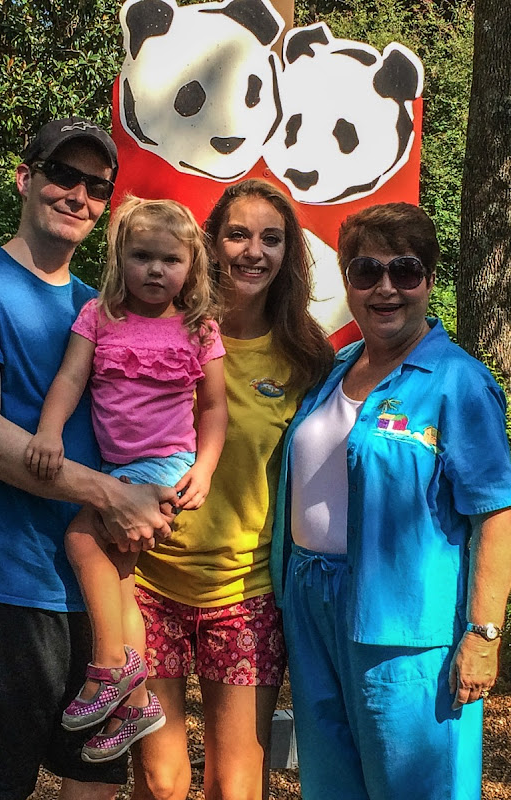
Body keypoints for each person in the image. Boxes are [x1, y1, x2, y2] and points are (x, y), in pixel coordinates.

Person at [0, 118, 178, 800]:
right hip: (3, 583)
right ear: (24, 178)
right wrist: (113, 496)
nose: (78, 195)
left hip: (102, 594)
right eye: (62, 174)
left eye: (96, 186)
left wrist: (167, 488)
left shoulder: (108, 307)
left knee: (93, 782)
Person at [270, 202, 511, 800]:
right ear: (348, 281)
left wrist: (483, 636)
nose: (385, 288)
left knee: (419, 788)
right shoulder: (334, 369)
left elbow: (496, 515)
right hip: (311, 607)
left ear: (428, 280)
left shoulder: (458, 382)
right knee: (331, 785)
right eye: (366, 271)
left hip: (405, 627)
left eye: (404, 270)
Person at [131, 179, 334, 800]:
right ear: (210, 244)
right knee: (160, 784)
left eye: (271, 239)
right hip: (147, 584)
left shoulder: (307, 357)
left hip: (245, 595)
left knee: (236, 789)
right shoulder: (164, 329)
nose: (253, 251)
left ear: (288, 253)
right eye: (238, 234)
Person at [25, 195, 227, 763]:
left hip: (164, 465)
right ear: (120, 259)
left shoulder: (199, 328)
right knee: (119, 579)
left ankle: (109, 665)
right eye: (142, 257)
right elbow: (70, 379)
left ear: (192, 266)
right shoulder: (99, 316)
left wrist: (205, 468)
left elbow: (215, 407)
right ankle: (136, 702)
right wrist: (48, 432)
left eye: (171, 259)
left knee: (81, 538)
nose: (156, 270)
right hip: (117, 469)